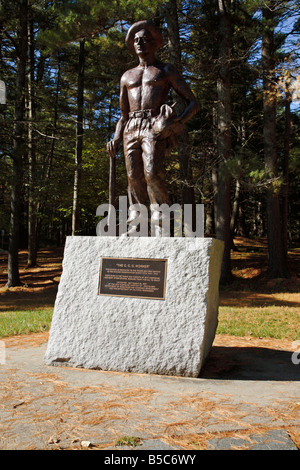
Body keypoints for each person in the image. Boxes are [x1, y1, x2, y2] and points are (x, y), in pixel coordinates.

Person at [106, 20, 199, 234]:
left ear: (154, 43)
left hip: (153, 126)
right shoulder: (126, 76)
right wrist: (116, 138)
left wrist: (176, 124)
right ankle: (137, 222)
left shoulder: (165, 70)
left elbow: (193, 102)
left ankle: (162, 223)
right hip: (131, 127)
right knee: (134, 177)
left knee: (152, 173)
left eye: (145, 39)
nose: (140, 43)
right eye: (136, 40)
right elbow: (122, 115)